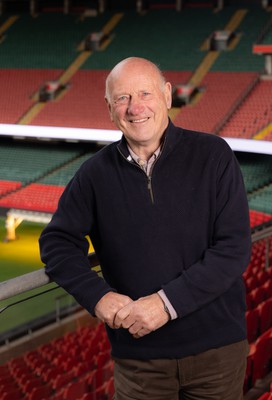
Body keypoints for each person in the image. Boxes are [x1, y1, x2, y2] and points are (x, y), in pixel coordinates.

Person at [39, 57, 252, 400]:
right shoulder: (94, 174)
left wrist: (165, 304)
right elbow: (57, 242)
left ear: (167, 95)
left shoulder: (214, 155)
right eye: (122, 98)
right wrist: (98, 297)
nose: (135, 108)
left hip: (217, 352)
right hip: (140, 362)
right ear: (109, 109)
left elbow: (233, 249)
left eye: (145, 94)